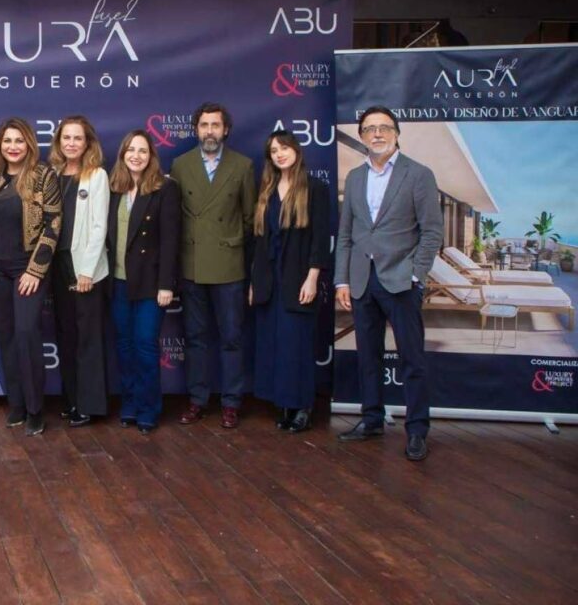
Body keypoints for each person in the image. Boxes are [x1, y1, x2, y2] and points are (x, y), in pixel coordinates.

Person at [335, 106, 443, 461]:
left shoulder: (419, 174)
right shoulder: (354, 178)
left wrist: (416, 274)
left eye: (384, 127)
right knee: (368, 357)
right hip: (362, 281)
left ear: (396, 133)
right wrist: (342, 281)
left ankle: (417, 430)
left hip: (401, 282)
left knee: (412, 360)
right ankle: (372, 420)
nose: (377, 134)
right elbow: (346, 235)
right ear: (362, 136)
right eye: (369, 129)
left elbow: (432, 232)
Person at [0, 117, 61, 436]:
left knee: (26, 333)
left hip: (29, 269)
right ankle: (17, 405)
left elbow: (53, 224)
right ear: (0, 144)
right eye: (7, 140)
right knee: (7, 336)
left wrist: (35, 271)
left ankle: (36, 409)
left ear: (29, 144)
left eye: (19, 140)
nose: (13, 146)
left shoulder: (43, 175)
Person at [170, 102, 256, 428]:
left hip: (228, 265)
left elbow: (249, 219)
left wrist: (229, 242)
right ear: (196, 129)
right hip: (192, 264)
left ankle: (231, 402)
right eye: (204, 125)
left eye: (215, 125)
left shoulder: (243, 166)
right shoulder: (181, 165)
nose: (209, 131)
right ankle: (197, 400)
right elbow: (176, 216)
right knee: (195, 337)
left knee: (232, 338)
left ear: (226, 130)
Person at [248, 131, 330, 433]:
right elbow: (259, 241)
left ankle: (302, 406)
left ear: (296, 150)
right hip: (269, 281)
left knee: (297, 345)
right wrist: (254, 282)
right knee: (274, 345)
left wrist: (312, 278)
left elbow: (320, 238)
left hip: (298, 279)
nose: (279, 154)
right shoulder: (267, 190)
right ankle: (283, 405)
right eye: (273, 151)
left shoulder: (315, 188)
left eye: (284, 148)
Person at [107, 130, 180, 435]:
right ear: (122, 154)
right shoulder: (113, 188)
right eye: (131, 150)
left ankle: (149, 408)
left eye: (143, 151)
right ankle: (130, 403)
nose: (136, 156)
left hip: (151, 284)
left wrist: (166, 284)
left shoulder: (165, 188)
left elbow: (170, 240)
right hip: (117, 282)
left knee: (145, 346)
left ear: (151, 156)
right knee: (124, 347)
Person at [48, 115, 110, 427]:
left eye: (78, 138)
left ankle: (89, 405)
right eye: (67, 138)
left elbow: (99, 227)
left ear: (87, 143)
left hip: (85, 268)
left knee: (88, 338)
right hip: (57, 265)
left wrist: (86, 271)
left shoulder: (96, 175)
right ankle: (72, 400)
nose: (71, 143)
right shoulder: (53, 174)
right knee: (66, 335)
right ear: (59, 142)